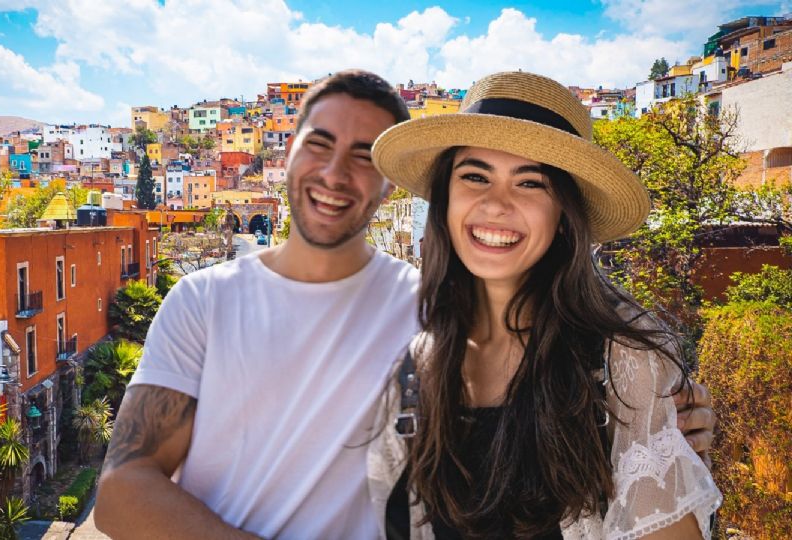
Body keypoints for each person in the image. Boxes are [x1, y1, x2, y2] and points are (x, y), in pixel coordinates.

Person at [94, 70, 716, 539]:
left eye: (530, 182)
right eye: (318, 143)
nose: (337, 173)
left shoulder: (422, 313)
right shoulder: (207, 301)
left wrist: (663, 415)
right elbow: (122, 488)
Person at [371, 71, 722, 539]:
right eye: (475, 176)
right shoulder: (418, 360)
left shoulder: (621, 360)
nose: (496, 205)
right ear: (445, 198)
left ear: (563, 216)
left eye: (530, 183)